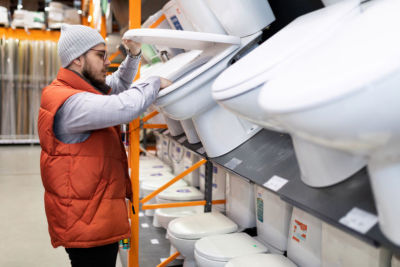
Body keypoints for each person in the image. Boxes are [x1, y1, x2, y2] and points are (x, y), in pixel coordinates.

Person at [37, 24, 171, 267]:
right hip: (87, 225)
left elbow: (117, 84)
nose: (107, 61)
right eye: (100, 55)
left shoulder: (76, 88)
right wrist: (153, 82)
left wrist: (133, 56)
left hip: (90, 215)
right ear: (77, 59)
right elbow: (123, 106)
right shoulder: (71, 103)